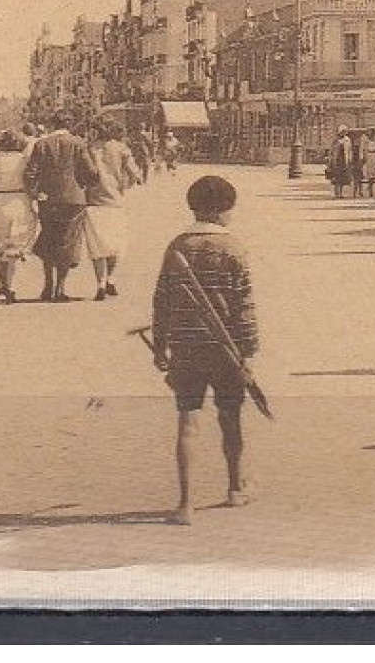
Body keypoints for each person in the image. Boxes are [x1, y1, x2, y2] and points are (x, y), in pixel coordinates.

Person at [152, 174, 260, 522]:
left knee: (187, 422)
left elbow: (161, 300)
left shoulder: (177, 246)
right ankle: (235, 489)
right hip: (224, 349)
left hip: (185, 345)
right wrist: (247, 352)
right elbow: (243, 307)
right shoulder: (234, 248)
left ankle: (185, 503)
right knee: (230, 418)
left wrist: (159, 345)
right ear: (224, 210)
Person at [24, 111, 99, 302]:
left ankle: (48, 285)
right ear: (70, 124)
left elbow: (30, 173)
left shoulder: (41, 144)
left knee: (49, 238)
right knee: (68, 242)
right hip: (74, 199)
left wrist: (34, 193)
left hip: (47, 199)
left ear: (52, 124)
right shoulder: (79, 144)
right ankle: (60, 288)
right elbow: (91, 172)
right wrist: (83, 184)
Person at [84, 120, 142, 300]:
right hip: (115, 201)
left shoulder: (89, 149)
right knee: (116, 244)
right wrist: (126, 184)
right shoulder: (122, 149)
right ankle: (111, 278)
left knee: (97, 246)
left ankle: (100, 283)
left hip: (93, 201)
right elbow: (136, 175)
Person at [0, 129, 36, 303]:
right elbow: (32, 183)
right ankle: (11, 285)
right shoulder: (24, 161)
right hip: (19, 201)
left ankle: (4, 283)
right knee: (14, 246)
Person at [326, 126, 353, 199]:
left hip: (344, 161)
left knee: (342, 179)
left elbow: (350, 150)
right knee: (336, 178)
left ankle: (340, 193)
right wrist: (330, 160)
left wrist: (350, 159)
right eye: (342, 132)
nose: (344, 133)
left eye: (345, 132)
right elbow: (331, 151)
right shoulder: (335, 140)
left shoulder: (348, 140)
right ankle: (336, 193)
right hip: (337, 161)